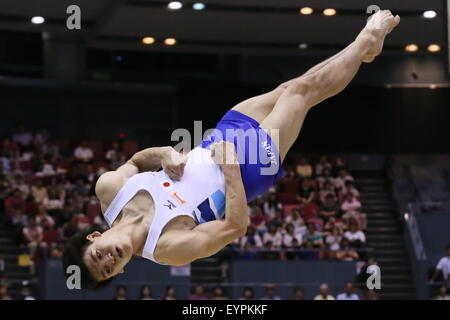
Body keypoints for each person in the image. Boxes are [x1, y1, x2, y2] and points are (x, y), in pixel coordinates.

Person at [62, 11, 400, 289]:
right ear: (121, 273)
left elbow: (137, 160)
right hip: (246, 168)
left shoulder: (110, 189)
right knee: (300, 93)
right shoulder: (167, 249)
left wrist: (164, 153)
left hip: (214, 143)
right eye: (108, 269)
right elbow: (234, 228)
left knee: (288, 87)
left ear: (94, 236)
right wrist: (231, 170)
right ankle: (365, 42)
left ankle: (363, 54)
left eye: (98, 256)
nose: (109, 260)